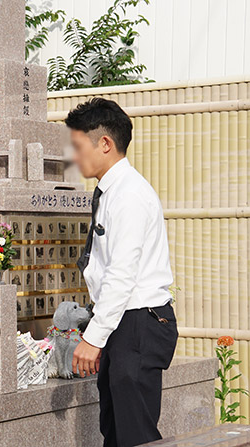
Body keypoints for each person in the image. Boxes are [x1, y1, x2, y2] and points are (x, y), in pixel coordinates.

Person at [67, 98, 178, 447]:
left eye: (78, 146)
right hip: (126, 323)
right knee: (115, 431)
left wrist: (93, 338)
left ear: (105, 143)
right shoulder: (111, 192)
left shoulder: (129, 195)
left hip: (139, 323)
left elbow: (121, 274)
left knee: (135, 436)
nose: (74, 157)